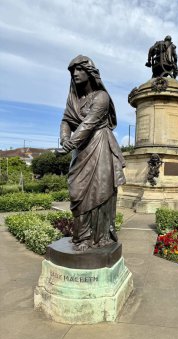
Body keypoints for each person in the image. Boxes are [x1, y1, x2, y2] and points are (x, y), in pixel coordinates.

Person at [59, 55, 126, 251]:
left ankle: (96, 237)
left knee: (99, 193)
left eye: (79, 70)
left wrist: (69, 144)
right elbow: (66, 121)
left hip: (100, 147)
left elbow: (88, 125)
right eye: (73, 71)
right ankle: (81, 236)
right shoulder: (75, 100)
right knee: (77, 192)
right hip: (81, 151)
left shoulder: (101, 97)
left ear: (90, 73)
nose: (75, 74)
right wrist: (64, 139)